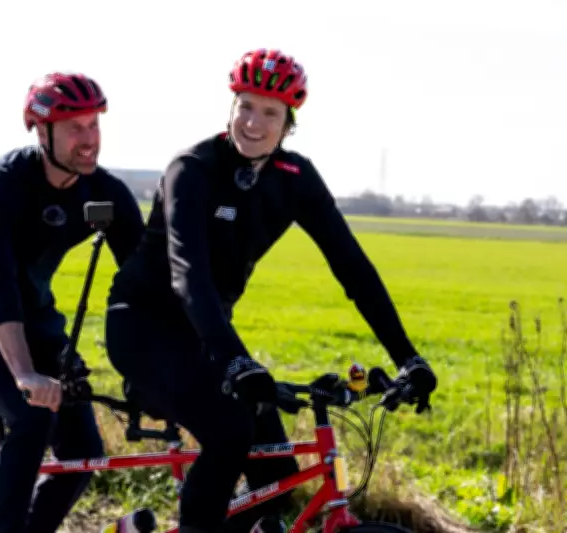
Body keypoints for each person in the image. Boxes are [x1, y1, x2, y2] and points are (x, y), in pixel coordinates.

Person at [103, 48, 438, 533]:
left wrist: (408, 357)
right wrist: (235, 360)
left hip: (207, 333)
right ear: (231, 106)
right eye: (245, 106)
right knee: (230, 432)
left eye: (270, 113)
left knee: (277, 472)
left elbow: (354, 269)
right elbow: (188, 274)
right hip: (144, 326)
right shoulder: (192, 168)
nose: (253, 123)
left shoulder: (294, 179)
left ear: (288, 124)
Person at [0, 71, 145, 533]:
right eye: (74, 128)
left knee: (83, 454)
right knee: (30, 419)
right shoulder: (0, 184)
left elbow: (147, 280)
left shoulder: (103, 191)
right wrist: (25, 373)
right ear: (41, 131)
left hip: (37, 319)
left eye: (94, 125)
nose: (89, 139)